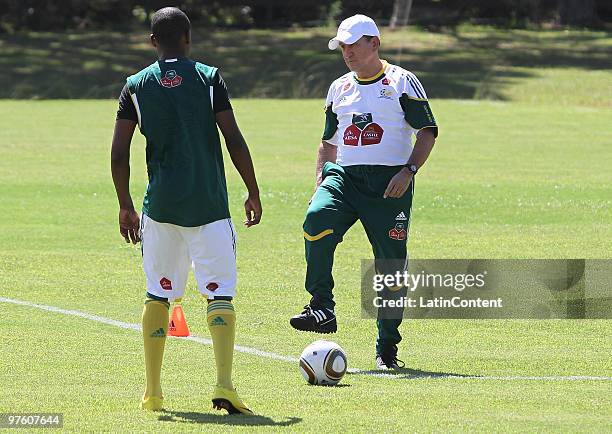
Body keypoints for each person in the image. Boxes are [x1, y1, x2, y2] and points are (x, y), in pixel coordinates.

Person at [110, 7, 261, 414]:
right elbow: (233, 137)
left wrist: (125, 204)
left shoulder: (135, 87)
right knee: (219, 294)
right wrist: (252, 189)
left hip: (159, 211)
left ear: (153, 42)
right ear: (189, 39)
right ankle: (224, 385)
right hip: (209, 207)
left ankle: (153, 392)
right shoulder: (209, 78)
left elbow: (119, 152)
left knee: (158, 294)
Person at [289, 14, 438, 370]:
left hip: (389, 184)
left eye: (353, 44)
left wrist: (409, 171)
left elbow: (428, 132)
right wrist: (320, 182)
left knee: (390, 267)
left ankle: (387, 348)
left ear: (374, 43)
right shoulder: (339, 87)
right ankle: (322, 306)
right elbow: (327, 143)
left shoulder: (403, 82)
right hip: (344, 178)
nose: (347, 52)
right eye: (342, 46)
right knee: (315, 220)